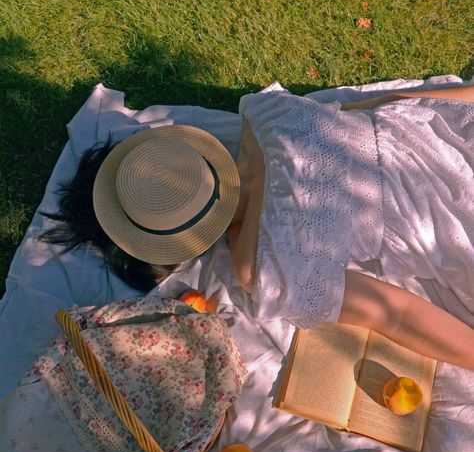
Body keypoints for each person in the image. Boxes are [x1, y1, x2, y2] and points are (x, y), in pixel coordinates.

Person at [41, 83, 474, 370]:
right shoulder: (265, 114)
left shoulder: (265, 265)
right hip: (445, 134)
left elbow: (395, 314)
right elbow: (393, 108)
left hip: (446, 218)